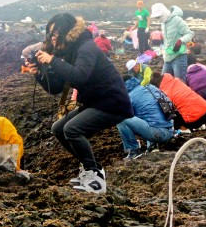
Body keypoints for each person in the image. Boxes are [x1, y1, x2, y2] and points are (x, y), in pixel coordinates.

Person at [26, 13, 133, 194]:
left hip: (113, 103)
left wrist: (53, 60)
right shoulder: (68, 52)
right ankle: (91, 170)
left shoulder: (86, 47)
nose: (52, 37)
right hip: (95, 101)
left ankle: (95, 177)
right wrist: (38, 74)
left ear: (67, 32)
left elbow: (79, 77)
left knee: (72, 129)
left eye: (55, 33)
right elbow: (56, 88)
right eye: (50, 33)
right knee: (58, 128)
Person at [116, 76, 176, 160]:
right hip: (170, 129)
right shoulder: (148, 87)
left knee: (121, 119)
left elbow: (126, 115)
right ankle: (153, 145)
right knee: (149, 115)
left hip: (158, 134)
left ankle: (134, 150)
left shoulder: (129, 97)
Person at [149, 3, 193, 83]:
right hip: (167, 57)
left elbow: (189, 34)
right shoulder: (163, 23)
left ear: (164, 12)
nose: (158, 19)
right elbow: (166, 40)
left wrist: (180, 40)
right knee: (164, 82)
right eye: (156, 18)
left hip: (179, 56)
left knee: (180, 83)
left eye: (158, 17)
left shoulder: (177, 20)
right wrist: (162, 51)